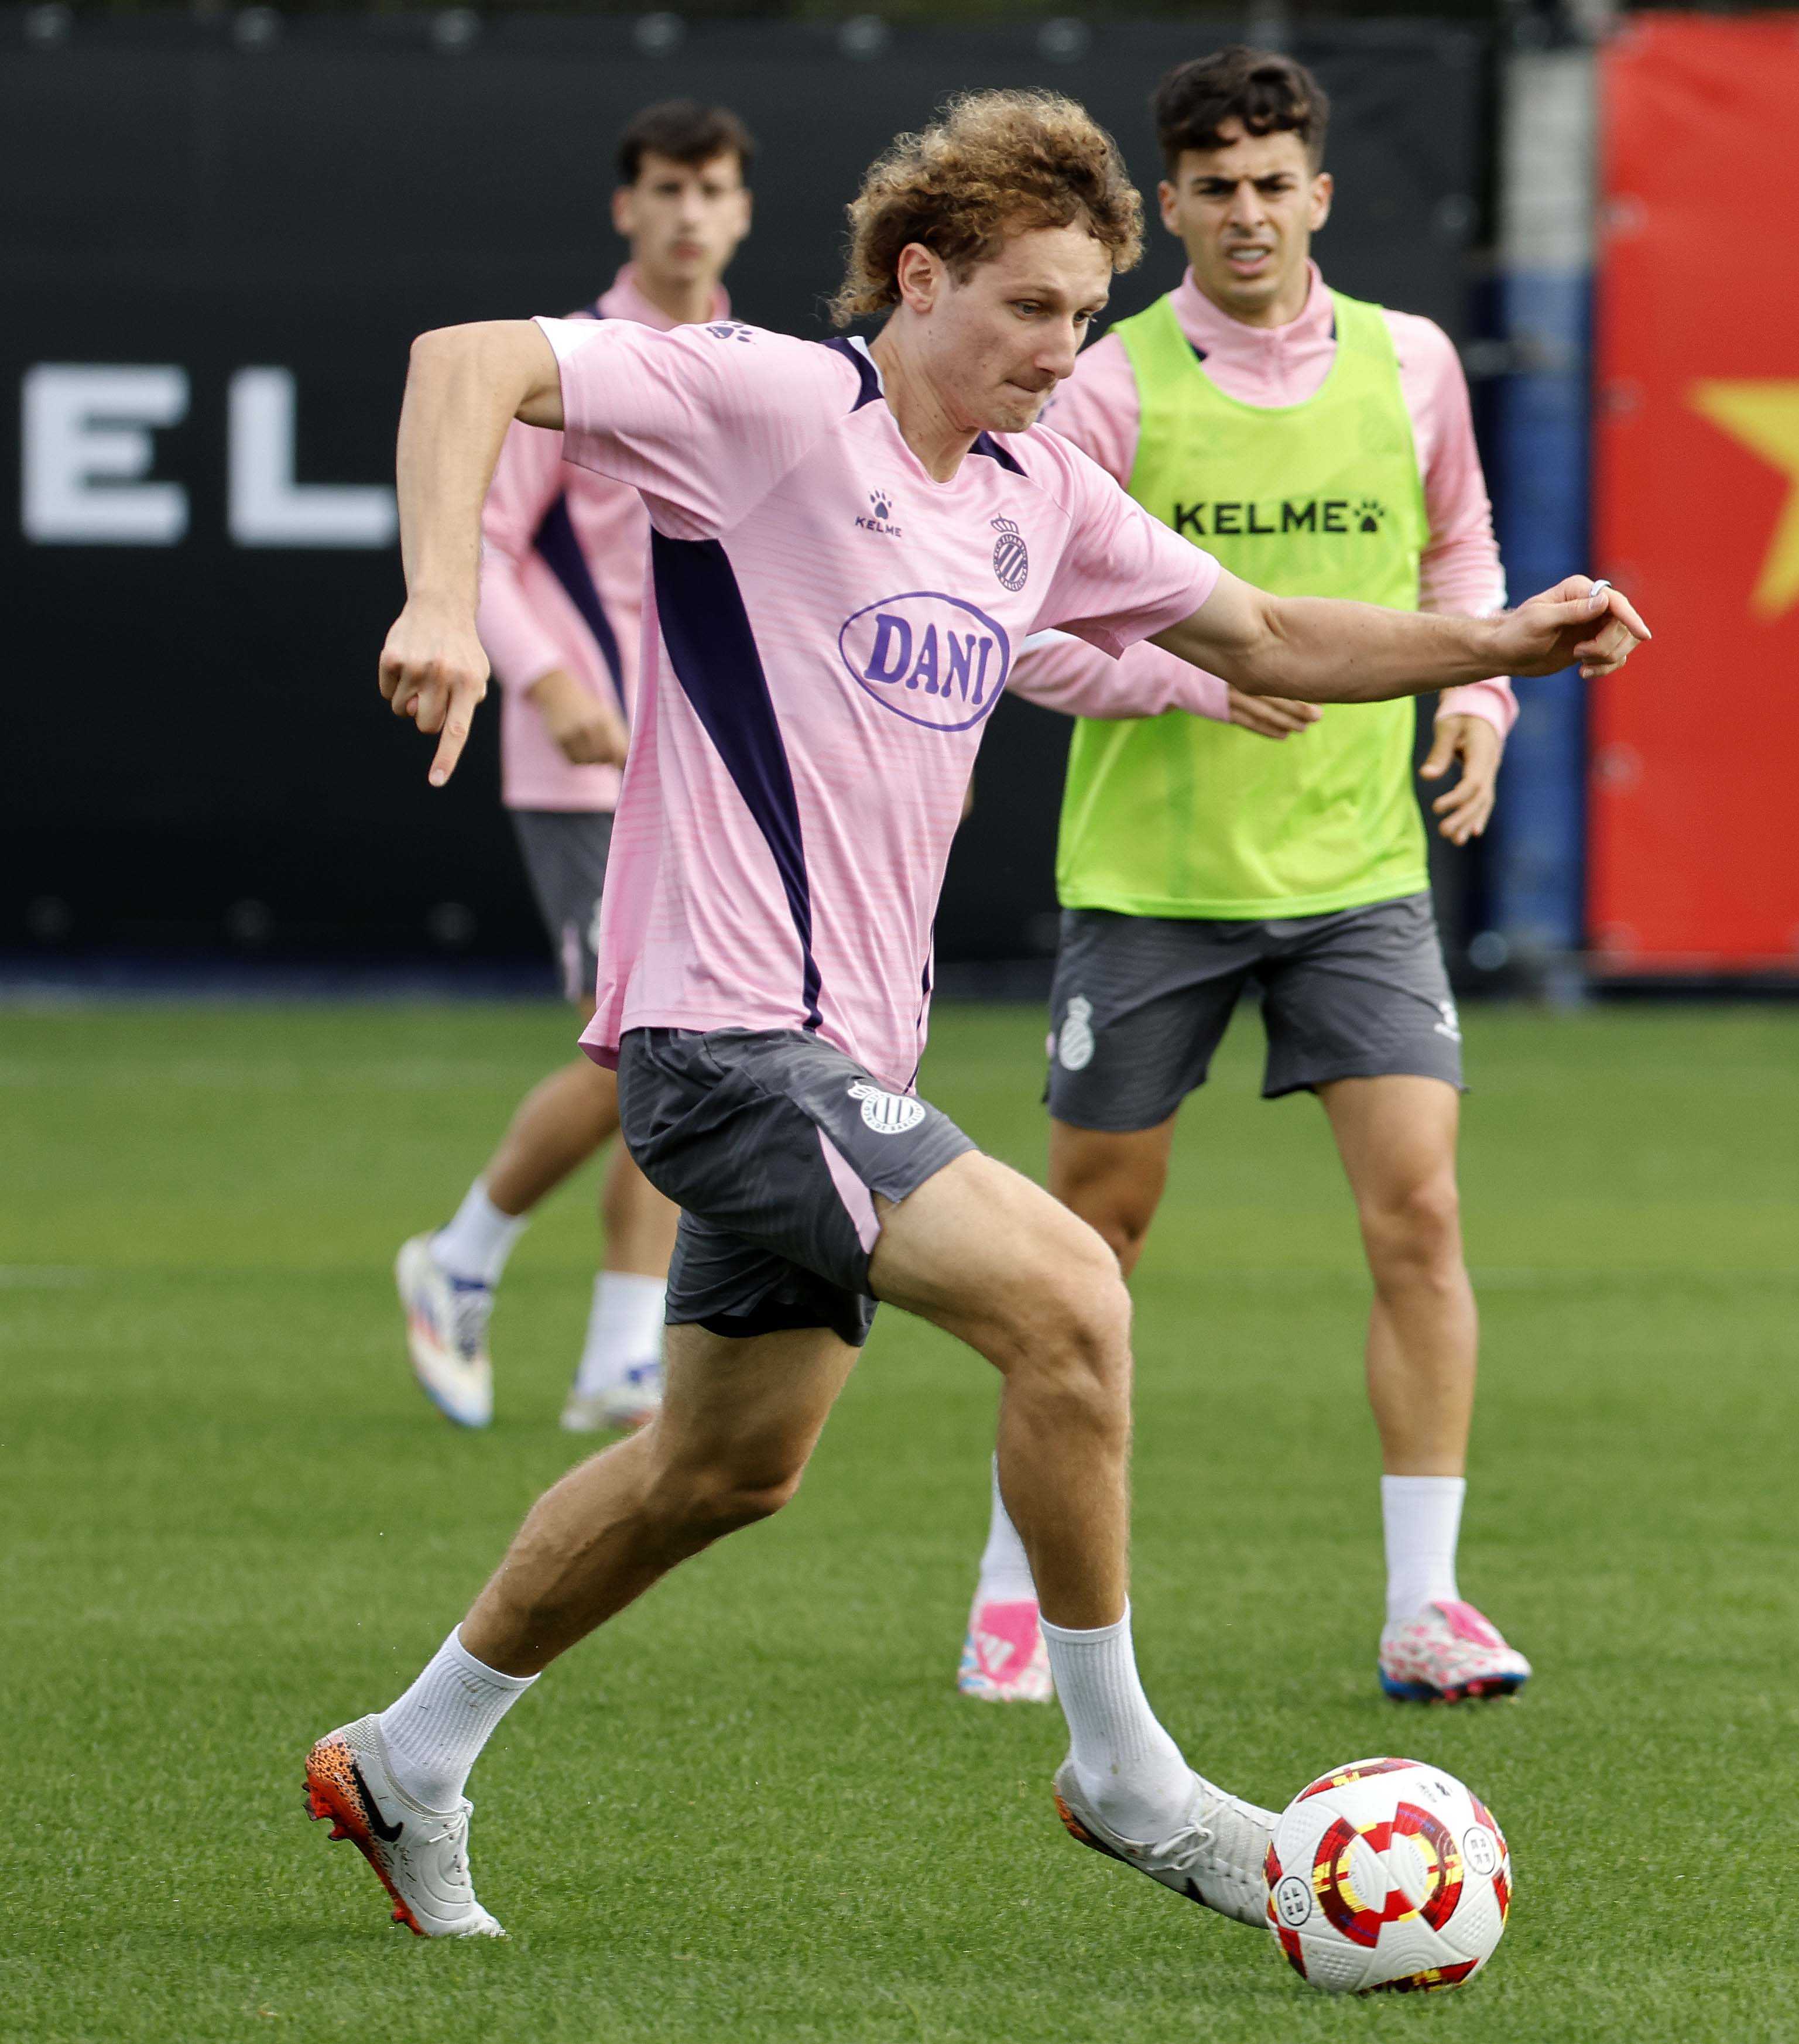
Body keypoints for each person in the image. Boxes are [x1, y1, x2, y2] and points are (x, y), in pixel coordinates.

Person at [309, 88, 1644, 1942]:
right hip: (725, 1040)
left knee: (721, 1467)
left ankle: (409, 1752)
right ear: (917, 278)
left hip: (840, 1060)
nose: (1060, 351)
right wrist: (442, 601)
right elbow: (462, 363)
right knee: (1074, 1299)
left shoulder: (1035, 496)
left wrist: (1495, 646)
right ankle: (1123, 1771)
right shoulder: (774, 404)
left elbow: (1261, 632)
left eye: (1086, 316)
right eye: (1029, 309)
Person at [948, 46, 1531, 1710]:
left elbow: (1460, 553)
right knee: (1084, 1247)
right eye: (1212, 187)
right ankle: (1012, 1585)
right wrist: (1191, 679)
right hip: (1154, 877)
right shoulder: (1109, 384)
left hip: (1357, 870)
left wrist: (1477, 694)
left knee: (1418, 1213)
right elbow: (1027, 632)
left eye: (1274, 182)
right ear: (1170, 208)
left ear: (1319, 195)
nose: (1247, 212)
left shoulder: (1412, 362)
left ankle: (1427, 1603)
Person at [393, 101, 753, 1434]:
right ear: (627, 208)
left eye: (711, 190)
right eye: (664, 188)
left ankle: (616, 1353)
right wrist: (547, 677)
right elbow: (477, 542)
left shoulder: (742, 363)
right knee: (638, 1050)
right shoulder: (570, 363)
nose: (687, 213)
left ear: (742, 211)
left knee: (685, 1044)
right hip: (583, 763)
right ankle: (464, 1255)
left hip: (704, 760)